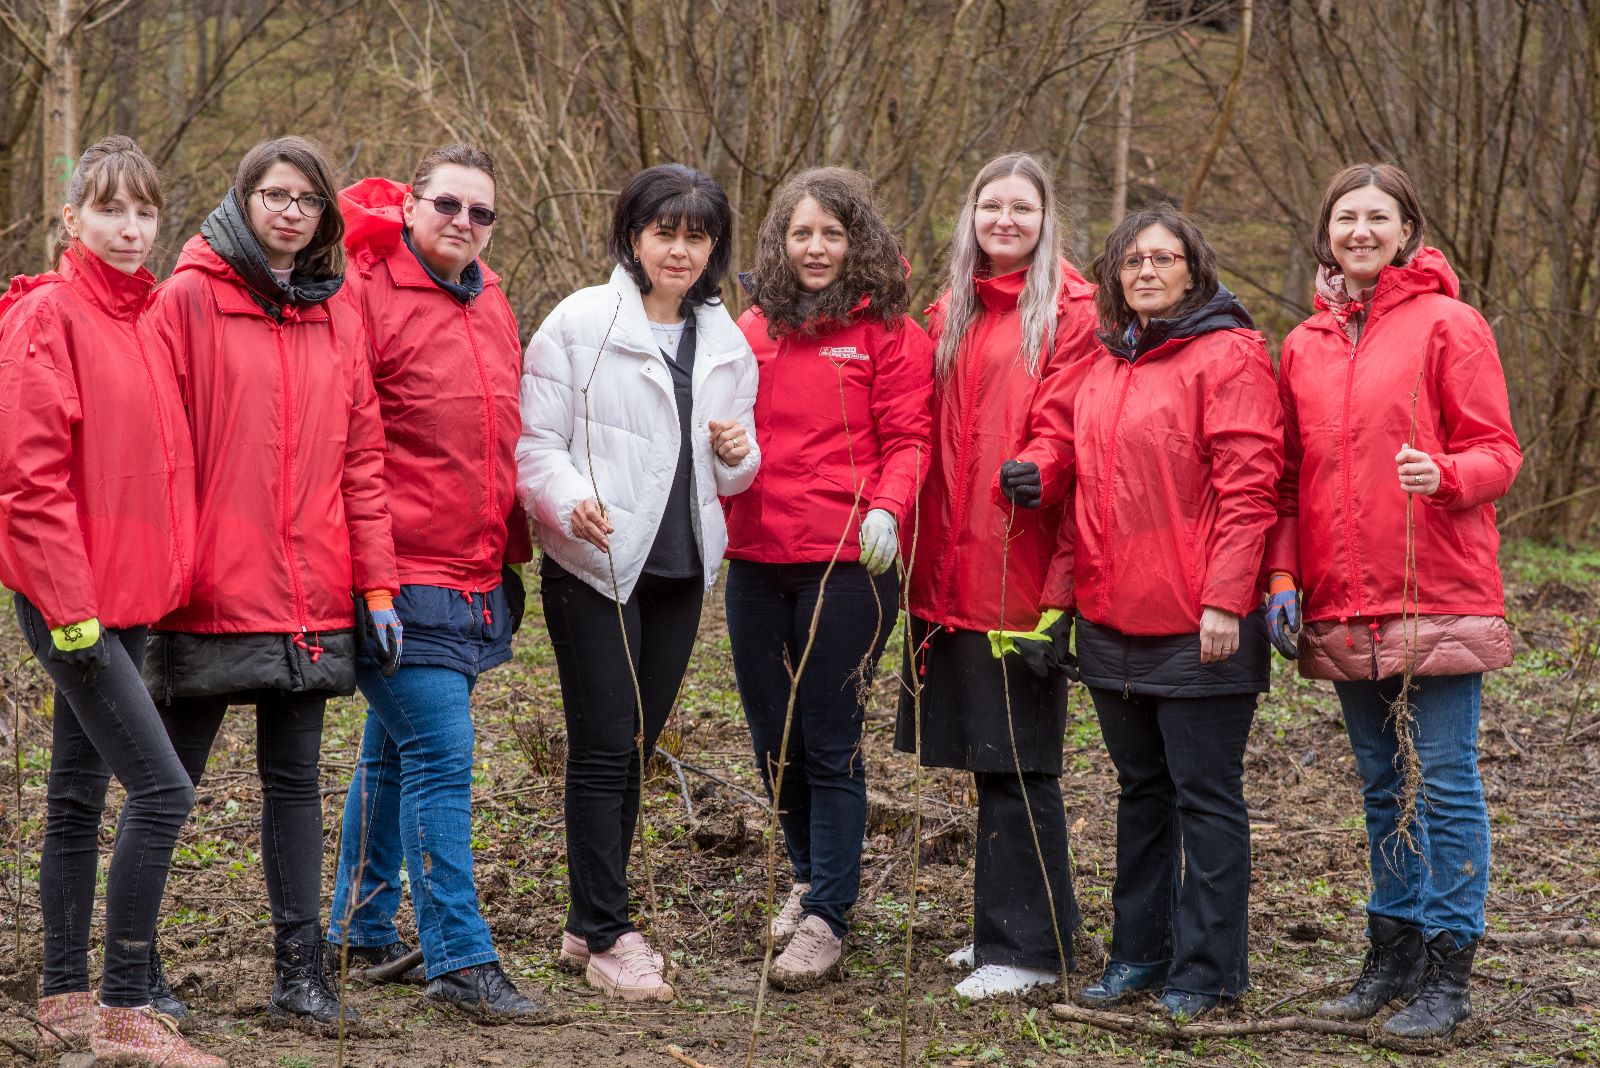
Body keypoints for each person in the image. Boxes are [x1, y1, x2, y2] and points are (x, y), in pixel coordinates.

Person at [142, 135, 398, 1031]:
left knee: (295, 783)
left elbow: (362, 459)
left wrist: (377, 587)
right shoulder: (186, 300)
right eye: (276, 195)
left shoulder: (338, 311)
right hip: (205, 591)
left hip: (311, 593)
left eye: (309, 200)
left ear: (326, 216)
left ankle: (301, 975)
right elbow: (154, 450)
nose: (292, 212)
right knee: (168, 785)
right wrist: (165, 571)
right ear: (243, 198)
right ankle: (133, 969)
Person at [1268, 163, 1521, 1039]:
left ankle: (1449, 975)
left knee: (1443, 783)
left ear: (1407, 230)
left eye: (1379, 217)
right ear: (1327, 232)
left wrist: (1445, 474)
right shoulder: (1303, 344)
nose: (1362, 231)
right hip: (1343, 598)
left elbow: (1498, 452)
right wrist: (1282, 578)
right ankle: (1393, 956)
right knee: (1383, 786)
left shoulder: (1451, 324)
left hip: (1436, 586)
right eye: (1347, 217)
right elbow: (1290, 482)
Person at [0, 136, 223, 1067]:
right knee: (164, 791)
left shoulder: (146, 319)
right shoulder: (47, 317)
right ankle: (126, 1011)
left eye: (144, 211)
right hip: (76, 606)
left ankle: (63, 998)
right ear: (72, 219)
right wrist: (69, 609)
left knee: (77, 794)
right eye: (109, 210)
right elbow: (28, 481)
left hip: (128, 601)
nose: (130, 229)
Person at [517, 163, 758, 1002]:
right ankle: (610, 934)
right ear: (632, 236)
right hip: (596, 564)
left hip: (682, 570)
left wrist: (739, 456)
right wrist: (568, 501)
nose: (680, 250)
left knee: (635, 746)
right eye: (665, 232)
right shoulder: (582, 322)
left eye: (698, 236)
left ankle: (587, 923)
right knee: (601, 744)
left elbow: (735, 466)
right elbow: (534, 446)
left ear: (715, 247)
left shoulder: (727, 340)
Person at [326, 144, 553, 1022]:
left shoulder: (489, 296)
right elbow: (350, 447)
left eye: (481, 212)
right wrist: (373, 584)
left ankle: (359, 926)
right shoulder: (363, 291)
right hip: (394, 573)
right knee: (441, 754)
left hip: (472, 572)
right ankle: (459, 956)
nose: (464, 222)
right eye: (448, 204)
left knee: (394, 751)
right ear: (411, 204)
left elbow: (499, 434)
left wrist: (509, 558)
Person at [1063, 205, 1282, 1022]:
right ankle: (1139, 953)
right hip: (1109, 618)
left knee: (1205, 798)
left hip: (1200, 622)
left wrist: (1226, 600)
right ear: (1115, 276)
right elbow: (1085, 494)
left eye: (1164, 258)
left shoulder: (1230, 353)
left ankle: (1210, 970)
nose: (1147, 270)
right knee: (1140, 793)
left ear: (1194, 270)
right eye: (1132, 260)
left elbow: (1249, 488)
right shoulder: (1104, 362)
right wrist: (1065, 601)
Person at [894, 152, 1097, 1000]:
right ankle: (1015, 927)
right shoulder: (952, 309)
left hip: (1022, 564)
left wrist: (1043, 465)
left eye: (1022, 207)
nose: (1005, 220)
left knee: (1020, 760)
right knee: (989, 757)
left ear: (1046, 219)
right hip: (948, 566)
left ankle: (1030, 951)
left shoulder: (1074, 311)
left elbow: (1072, 419)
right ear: (971, 215)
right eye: (991, 205)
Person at [726, 167, 933, 989]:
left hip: (849, 561)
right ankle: (808, 875)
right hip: (755, 559)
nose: (816, 248)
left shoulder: (889, 333)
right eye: (801, 233)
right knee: (771, 735)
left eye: (832, 234)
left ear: (858, 242)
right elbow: (722, 431)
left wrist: (888, 508)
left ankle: (828, 916)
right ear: (780, 242)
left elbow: (910, 438)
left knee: (828, 735)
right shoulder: (751, 328)